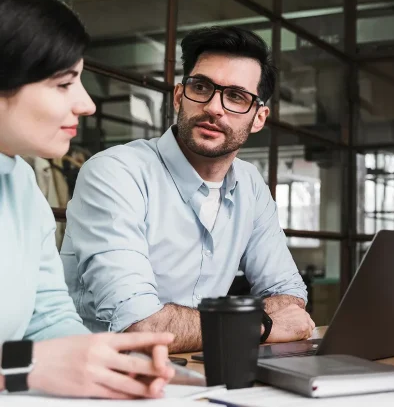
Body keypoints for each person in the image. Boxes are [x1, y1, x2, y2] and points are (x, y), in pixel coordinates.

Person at [61, 26, 314, 354]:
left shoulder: (250, 184)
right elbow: (140, 325)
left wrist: (208, 327)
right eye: (201, 87)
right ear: (180, 96)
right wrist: (262, 326)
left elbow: (289, 293)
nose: (214, 107)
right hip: (102, 371)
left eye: (236, 97)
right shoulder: (117, 172)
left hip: (199, 367)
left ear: (259, 118)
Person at [0, 0, 174, 398]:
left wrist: (108, 364)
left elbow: (47, 319)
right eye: (64, 84)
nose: (87, 104)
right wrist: (26, 367)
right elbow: (33, 360)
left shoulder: (20, 184)